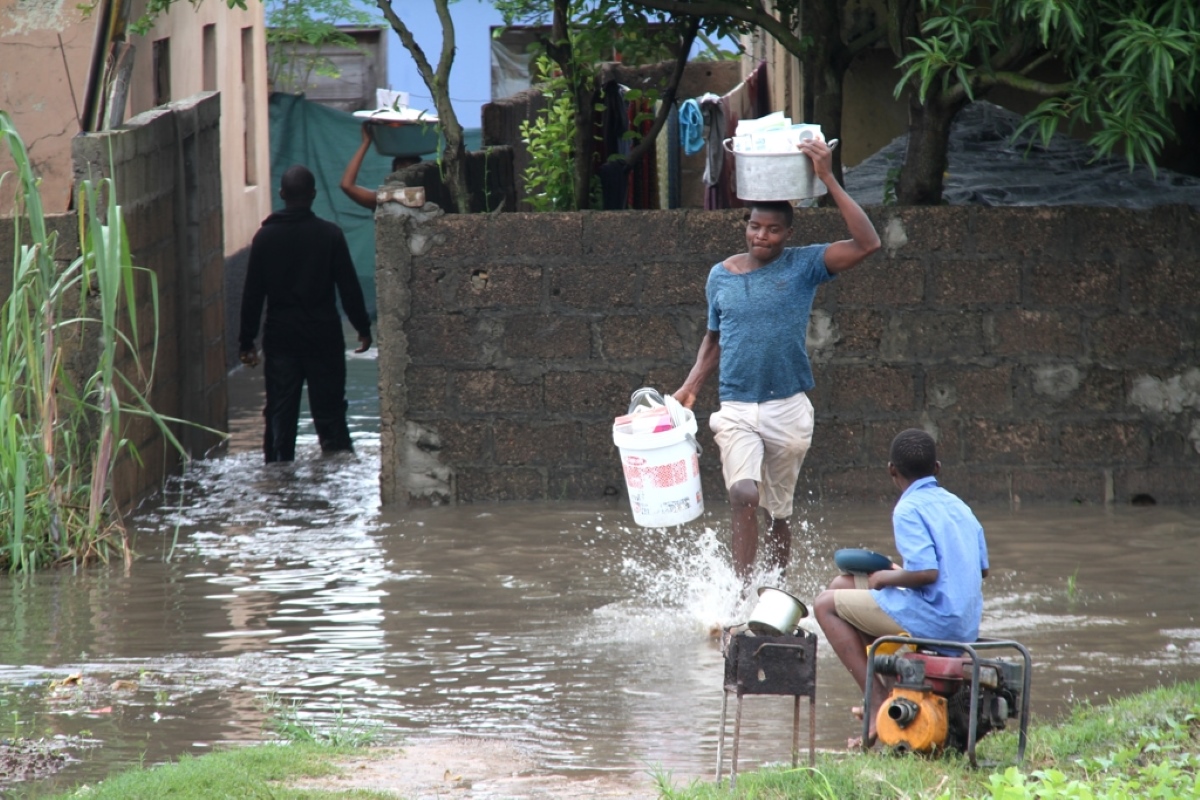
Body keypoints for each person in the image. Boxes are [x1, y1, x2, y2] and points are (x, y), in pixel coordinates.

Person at [673, 137, 880, 582]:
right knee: (744, 493)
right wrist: (691, 386)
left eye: (772, 230)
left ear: (788, 234)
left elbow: (868, 242)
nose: (761, 236)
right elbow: (714, 339)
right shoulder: (721, 276)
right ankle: (742, 595)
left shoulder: (803, 266)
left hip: (788, 406)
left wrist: (826, 177)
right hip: (737, 406)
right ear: (745, 226)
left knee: (777, 513)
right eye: (754, 227)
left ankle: (775, 589)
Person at [813, 428, 990, 747]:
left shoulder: (908, 508)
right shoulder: (960, 506)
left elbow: (926, 573)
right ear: (937, 468)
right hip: (964, 622)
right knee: (843, 585)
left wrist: (884, 577)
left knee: (825, 604)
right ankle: (893, 695)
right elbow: (982, 569)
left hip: (937, 620)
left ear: (891, 470)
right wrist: (899, 571)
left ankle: (878, 700)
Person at [239, 164, 373, 463]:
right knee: (331, 413)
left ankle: (278, 476)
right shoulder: (330, 236)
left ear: (282, 194)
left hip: (281, 338)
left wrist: (246, 342)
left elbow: (252, 295)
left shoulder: (265, 238)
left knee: (280, 411)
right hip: (323, 337)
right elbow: (349, 288)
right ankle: (338, 473)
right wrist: (363, 327)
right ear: (313, 195)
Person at [340, 123, 421, 210]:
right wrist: (366, 142)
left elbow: (414, 196)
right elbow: (346, 185)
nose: (406, 174)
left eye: (411, 170)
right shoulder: (386, 198)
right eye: (402, 168)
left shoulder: (426, 196)